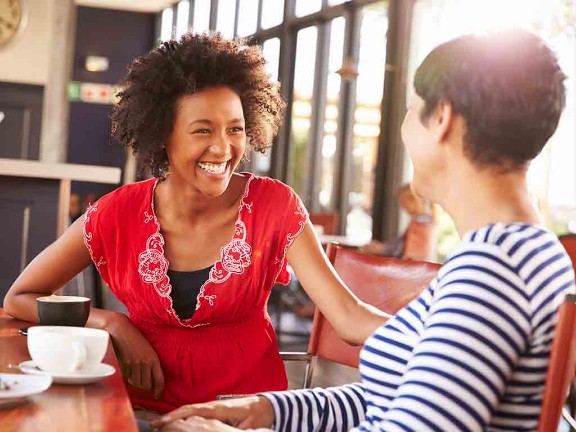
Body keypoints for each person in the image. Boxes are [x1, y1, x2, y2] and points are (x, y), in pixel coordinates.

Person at [150, 29, 576, 431]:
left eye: (410, 109)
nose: (405, 130)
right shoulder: (519, 253)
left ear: (442, 116)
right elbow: (393, 397)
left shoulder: (492, 270)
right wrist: (264, 410)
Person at [3, 33, 387, 415]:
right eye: (203, 130)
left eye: (235, 129)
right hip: (140, 412)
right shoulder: (115, 213)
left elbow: (349, 318)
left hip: (244, 415)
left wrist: (442, 334)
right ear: (162, 134)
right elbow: (19, 298)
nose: (223, 148)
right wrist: (111, 323)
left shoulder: (276, 205)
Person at [361, 183, 437, 261]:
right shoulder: (421, 221)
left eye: (404, 202)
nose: (402, 207)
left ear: (412, 200)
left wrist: (382, 249)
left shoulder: (422, 223)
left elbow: (404, 250)